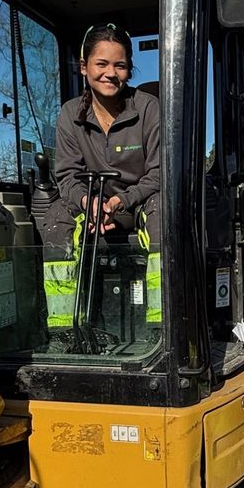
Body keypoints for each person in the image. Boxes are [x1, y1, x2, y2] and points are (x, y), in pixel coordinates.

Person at [41, 24, 162, 330]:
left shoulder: (149, 108)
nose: (111, 73)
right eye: (102, 64)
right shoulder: (70, 114)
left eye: (120, 65)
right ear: (84, 67)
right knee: (56, 219)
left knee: (164, 213)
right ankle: (63, 329)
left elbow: (159, 172)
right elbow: (67, 176)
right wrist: (88, 202)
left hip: (139, 206)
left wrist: (123, 200)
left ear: (129, 70)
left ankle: (160, 327)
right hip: (91, 208)